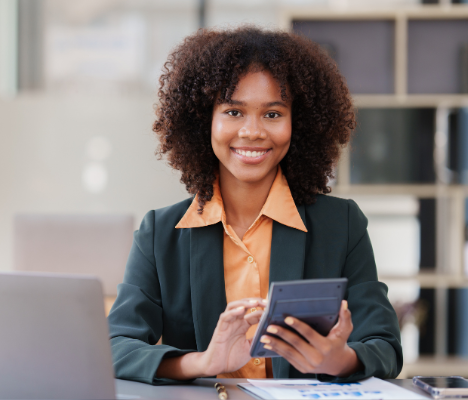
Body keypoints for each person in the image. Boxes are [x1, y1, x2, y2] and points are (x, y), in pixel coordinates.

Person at [107, 26, 402, 384]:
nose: (253, 131)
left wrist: (339, 359)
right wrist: (202, 362)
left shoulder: (342, 225)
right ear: (204, 121)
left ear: (299, 123)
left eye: (273, 114)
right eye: (233, 112)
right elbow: (116, 346)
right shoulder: (160, 234)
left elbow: (384, 346)